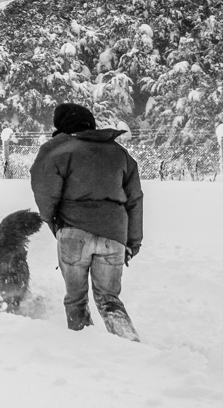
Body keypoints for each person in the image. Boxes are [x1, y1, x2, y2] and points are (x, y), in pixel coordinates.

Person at [30, 102, 143, 341]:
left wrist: (52, 221)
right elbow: (135, 199)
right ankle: (129, 343)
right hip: (114, 235)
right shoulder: (119, 153)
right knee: (109, 299)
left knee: (76, 298)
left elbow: (45, 190)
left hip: (73, 232)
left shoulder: (59, 151)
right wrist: (132, 241)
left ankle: (85, 345)